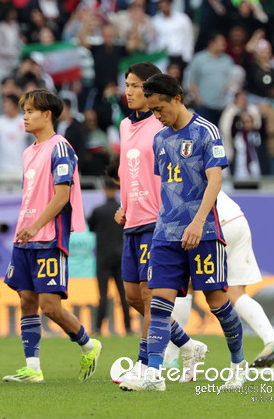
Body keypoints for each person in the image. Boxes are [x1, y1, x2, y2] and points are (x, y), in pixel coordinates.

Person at [122, 74, 246, 391]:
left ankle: (239, 363)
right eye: (152, 111)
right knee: (159, 302)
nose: (158, 116)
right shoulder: (160, 139)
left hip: (203, 232)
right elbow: (168, 187)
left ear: (177, 98)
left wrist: (197, 221)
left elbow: (214, 182)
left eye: (160, 108)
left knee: (218, 302)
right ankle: (153, 374)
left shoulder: (206, 131)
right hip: (165, 234)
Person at [114, 63, 206, 387]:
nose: (129, 91)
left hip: (157, 220)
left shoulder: (162, 123)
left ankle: (145, 366)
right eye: (127, 85)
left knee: (150, 296)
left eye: (136, 85)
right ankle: (189, 346)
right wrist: (123, 204)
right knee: (133, 298)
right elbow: (129, 170)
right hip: (132, 219)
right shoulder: (125, 126)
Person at [2, 89, 102, 384]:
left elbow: (61, 196)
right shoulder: (28, 152)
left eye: (30, 111)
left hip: (49, 236)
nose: (25, 116)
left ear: (47, 115)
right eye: (23, 111)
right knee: (26, 299)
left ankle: (88, 344)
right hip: (26, 236)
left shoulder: (61, 148)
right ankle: (32, 368)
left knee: (50, 305)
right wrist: (26, 226)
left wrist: (35, 225)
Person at [165, 191, 274, 368]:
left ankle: (171, 358)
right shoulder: (201, 166)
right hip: (237, 219)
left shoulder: (169, 173)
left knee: (185, 285)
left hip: (211, 224)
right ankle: (272, 339)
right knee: (236, 292)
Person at [87, 178, 130, 335]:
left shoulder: (98, 210)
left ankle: (98, 327)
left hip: (103, 256)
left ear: (105, 189)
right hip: (120, 255)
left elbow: (91, 227)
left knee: (103, 294)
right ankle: (128, 327)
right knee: (123, 295)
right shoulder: (122, 210)